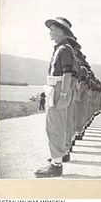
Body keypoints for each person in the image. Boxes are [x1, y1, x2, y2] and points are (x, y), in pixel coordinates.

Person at [34, 17, 75, 178]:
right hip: (54, 87)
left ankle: (56, 165)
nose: (50, 32)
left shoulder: (64, 49)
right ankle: (58, 157)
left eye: (52, 29)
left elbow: (67, 73)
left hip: (58, 88)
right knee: (56, 125)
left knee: (54, 126)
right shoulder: (60, 48)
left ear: (60, 31)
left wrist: (64, 94)